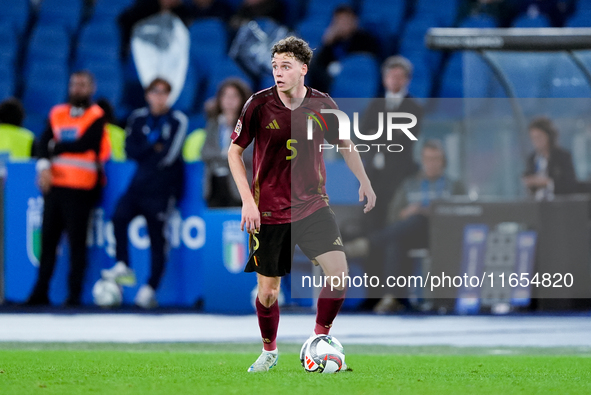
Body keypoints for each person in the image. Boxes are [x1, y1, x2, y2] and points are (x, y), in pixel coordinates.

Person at [228, 36, 376, 372]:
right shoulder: (258, 105)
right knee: (268, 293)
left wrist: (364, 181)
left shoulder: (323, 104)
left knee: (338, 276)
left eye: (286, 66)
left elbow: (346, 143)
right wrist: (248, 201)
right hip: (268, 211)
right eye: (275, 67)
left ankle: (320, 339)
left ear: (303, 69)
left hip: (313, 206)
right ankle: (269, 351)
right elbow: (234, 152)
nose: (278, 73)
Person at [345, 140, 464, 314]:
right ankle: (391, 297)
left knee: (417, 220)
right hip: (413, 233)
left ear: (443, 162)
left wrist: (431, 212)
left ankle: (367, 244)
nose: (431, 163)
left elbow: (464, 214)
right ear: (422, 161)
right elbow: (395, 216)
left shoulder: (454, 186)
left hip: (442, 236)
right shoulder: (409, 185)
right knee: (398, 238)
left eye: (436, 159)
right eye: (428, 159)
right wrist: (407, 213)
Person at [101, 78, 187, 309]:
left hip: (162, 189)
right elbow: (130, 150)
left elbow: (168, 156)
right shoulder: (138, 117)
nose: (158, 97)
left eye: (163, 93)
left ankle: (150, 288)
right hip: (138, 185)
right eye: (154, 92)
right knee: (119, 216)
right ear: (147, 95)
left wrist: (148, 150)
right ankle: (123, 264)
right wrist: (153, 146)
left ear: (168, 96)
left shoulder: (177, 119)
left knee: (157, 239)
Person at [26, 71, 110, 306]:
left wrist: (57, 146)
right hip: (55, 187)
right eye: (74, 84)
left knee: (76, 245)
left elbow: (87, 144)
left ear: (91, 88)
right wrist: (44, 162)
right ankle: (39, 292)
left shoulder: (96, 115)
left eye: (83, 85)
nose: (77, 89)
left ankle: (74, 296)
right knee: (48, 243)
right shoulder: (57, 113)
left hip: (81, 189)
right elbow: (43, 142)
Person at [360, 55, 424, 232]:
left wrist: (378, 133)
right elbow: (363, 135)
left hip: (399, 175)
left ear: (407, 79)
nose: (395, 80)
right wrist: (390, 132)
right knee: (371, 221)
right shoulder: (374, 105)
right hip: (373, 175)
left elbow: (404, 140)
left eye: (399, 76)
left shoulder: (414, 108)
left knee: (394, 221)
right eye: (391, 76)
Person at [201, 78, 252, 207]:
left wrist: (223, 156)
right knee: (215, 222)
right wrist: (229, 156)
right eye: (225, 96)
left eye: (234, 96)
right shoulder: (213, 124)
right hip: (214, 184)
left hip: (238, 186)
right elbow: (205, 153)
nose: (229, 100)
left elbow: (248, 155)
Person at [309, 5, 380, 92]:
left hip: (353, 79)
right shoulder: (334, 40)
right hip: (331, 80)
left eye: (346, 20)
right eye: (339, 21)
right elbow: (320, 64)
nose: (343, 24)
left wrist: (344, 67)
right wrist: (326, 43)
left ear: (355, 21)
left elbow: (365, 64)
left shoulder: (366, 40)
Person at [523, 116, 577, 200]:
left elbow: (570, 185)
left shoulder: (562, 157)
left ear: (549, 136)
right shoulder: (532, 159)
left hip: (559, 205)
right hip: (536, 206)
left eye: (539, 137)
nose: (536, 141)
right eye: (533, 138)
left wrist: (547, 182)